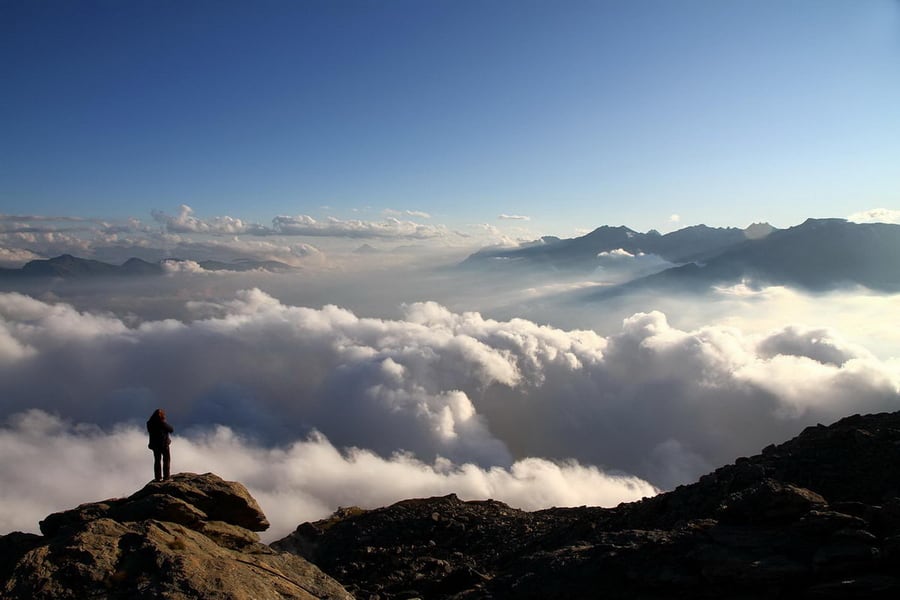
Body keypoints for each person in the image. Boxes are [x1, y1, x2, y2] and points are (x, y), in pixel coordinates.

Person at [146, 408, 174, 481]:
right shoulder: (161, 423)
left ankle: (157, 477)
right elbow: (171, 429)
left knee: (157, 461)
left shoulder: (149, 423)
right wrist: (164, 422)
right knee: (166, 460)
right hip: (164, 444)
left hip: (155, 445)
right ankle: (166, 477)